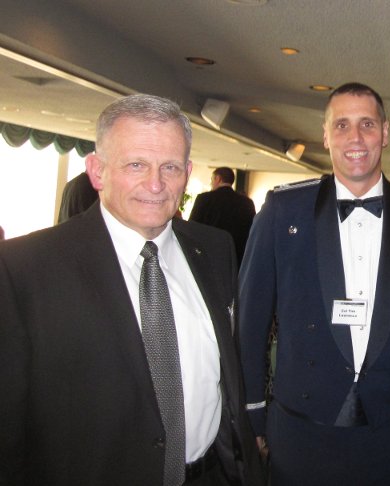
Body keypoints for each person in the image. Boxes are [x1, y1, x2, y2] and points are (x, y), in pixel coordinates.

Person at [0, 94, 264, 486]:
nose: (155, 184)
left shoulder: (215, 248)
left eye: (170, 167)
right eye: (136, 164)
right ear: (97, 171)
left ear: (188, 172)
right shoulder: (25, 268)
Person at [239, 82, 390, 486]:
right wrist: (252, 415)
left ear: (385, 133)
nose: (354, 138)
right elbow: (250, 325)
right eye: (341, 125)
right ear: (325, 135)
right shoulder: (284, 210)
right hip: (299, 433)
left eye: (366, 124)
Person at [189, 167, 256, 266]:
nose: (211, 183)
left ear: (218, 179)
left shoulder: (204, 199)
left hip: (208, 254)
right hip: (237, 257)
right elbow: (252, 231)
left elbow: (192, 227)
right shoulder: (246, 203)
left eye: (212, 179)